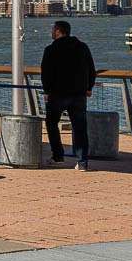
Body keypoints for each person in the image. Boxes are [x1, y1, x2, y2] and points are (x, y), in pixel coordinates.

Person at [41, 20, 97, 170]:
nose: (52, 32)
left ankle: (58, 156)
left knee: (52, 124)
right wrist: (89, 87)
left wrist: (47, 91)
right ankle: (83, 162)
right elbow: (91, 69)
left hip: (57, 94)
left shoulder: (50, 50)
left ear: (58, 31)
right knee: (80, 128)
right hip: (79, 94)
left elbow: (46, 73)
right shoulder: (82, 47)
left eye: (53, 30)